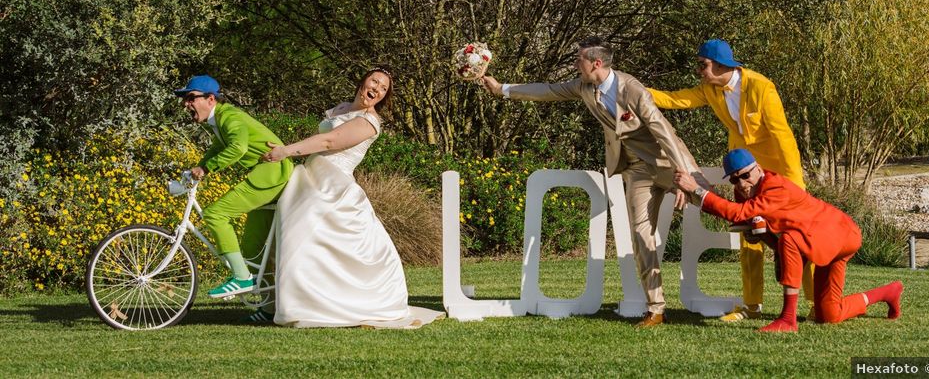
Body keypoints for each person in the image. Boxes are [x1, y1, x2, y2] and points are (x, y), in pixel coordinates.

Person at [481, 37, 708, 328]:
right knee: (641, 236)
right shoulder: (584, 87)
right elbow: (548, 91)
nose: (575, 65)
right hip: (637, 170)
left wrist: (683, 175)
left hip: (669, 161)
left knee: (721, 209)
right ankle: (656, 309)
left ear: (596, 63)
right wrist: (502, 89)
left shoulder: (633, 89)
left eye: (579, 61)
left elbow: (662, 130)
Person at [260, 67, 443, 328]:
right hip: (311, 176)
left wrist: (286, 151)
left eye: (382, 89)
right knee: (291, 232)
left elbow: (329, 142)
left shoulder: (369, 122)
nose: (376, 89)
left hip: (333, 185)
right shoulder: (342, 108)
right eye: (374, 82)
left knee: (303, 231)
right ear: (363, 80)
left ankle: (316, 305)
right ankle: (284, 302)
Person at [647, 38, 815, 322]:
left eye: (703, 65)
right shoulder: (709, 89)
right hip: (743, 169)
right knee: (749, 233)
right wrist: (635, 91)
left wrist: (795, 183)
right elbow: (677, 99)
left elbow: (782, 135)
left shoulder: (762, 87)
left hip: (777, 171)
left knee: (799, 236)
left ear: (720, 64)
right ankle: (752, 305)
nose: (699, 71)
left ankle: (814, 304)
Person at [675, 149, 903, 332]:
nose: (742, 183)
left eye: (745, 175)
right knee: (829, 315)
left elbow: (735, 213)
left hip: (842, 235)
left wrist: (696, 189)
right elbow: (744, 217)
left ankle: (788, 319)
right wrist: (762, 235)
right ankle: (888, 293)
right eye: (735, 180)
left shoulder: (774, 186)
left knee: (790, 240)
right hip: (821, 241)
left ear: (758, 169)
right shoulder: (746, 191)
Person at [175, 75, 294, 303]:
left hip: (271, 176)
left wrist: (207, 168)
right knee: (252, 251)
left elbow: (237, 148)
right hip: (268, 176)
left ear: (210, 99)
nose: (185, 104)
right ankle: (268, 306)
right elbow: (219, 146)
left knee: (215, 214)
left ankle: (241, 278)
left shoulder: (229, 117)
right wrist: (200, 166)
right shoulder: (219, 120)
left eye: (190, 98)